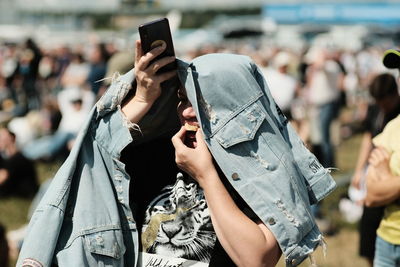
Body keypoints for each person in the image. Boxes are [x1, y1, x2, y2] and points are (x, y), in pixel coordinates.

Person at [17, 37, 335, 267]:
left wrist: (207, 176)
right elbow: (94, 150)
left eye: (201, 102)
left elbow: (256, 259)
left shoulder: (263, 169)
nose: (185, 111)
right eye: (182, 99)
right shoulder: (158, 148)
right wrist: (141, 96)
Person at [350, 72, 400, 266]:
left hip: (383, 174)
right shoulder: (378, 113)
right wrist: (359, 170)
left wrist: (386, 177)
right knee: (368, 233)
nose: (381, 106)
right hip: (376, 171)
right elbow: (368, 139)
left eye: (384, 101)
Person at [364, 48, 400, 267]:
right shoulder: (393, 128)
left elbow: (381, 189)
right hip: (387, 242)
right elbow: (372, 195)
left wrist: (387, 177)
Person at [0, 127, 38, 198]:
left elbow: (2, 177)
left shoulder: (17, 158)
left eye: (1, 136)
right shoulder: (7, 158)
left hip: (28, 195)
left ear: (12, 138)